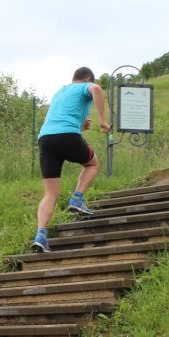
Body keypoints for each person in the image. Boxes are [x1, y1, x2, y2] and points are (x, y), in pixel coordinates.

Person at [32, 66, 111, 252]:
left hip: (45, 139)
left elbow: (60, 118)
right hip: (67, 135)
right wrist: (102, 120)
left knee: (50, 193)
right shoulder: (86, 86)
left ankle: (40, 235)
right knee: (92, 163)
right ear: (88, 78)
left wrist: (79, 126)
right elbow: (97, 89)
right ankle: (76, 199)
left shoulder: (60, 91)